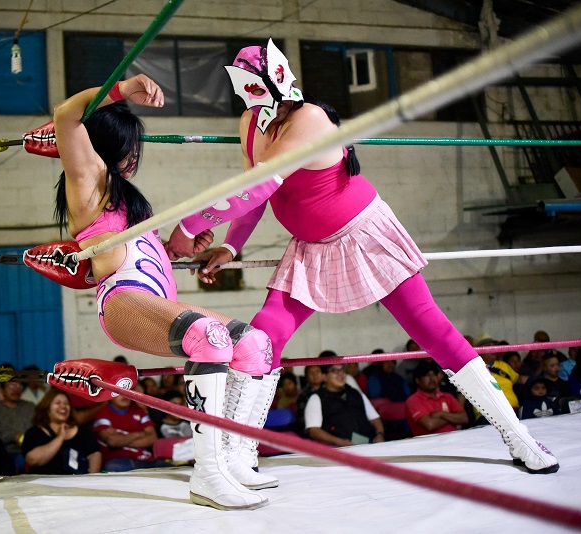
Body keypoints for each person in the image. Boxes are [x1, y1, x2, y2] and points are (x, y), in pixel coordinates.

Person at [166, 39, 558, 474]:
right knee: (262, 334)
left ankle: (518, 436)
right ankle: (239, 454)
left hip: (365, 233)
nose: (252, 100)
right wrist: (230, 244)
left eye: (256, 88)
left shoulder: (310, 118)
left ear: (278, 81)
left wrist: (188, 227)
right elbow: (256, 194)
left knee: (433, 330)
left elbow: (257, 187)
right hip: (310, 247)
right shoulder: (251, 122)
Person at [49, 75, 279, 509]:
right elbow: (66, 116)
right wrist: (121, 88)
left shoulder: (129, 200)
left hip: (154, 299)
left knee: (255, 345)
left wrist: (182, 249)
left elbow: (148, 259)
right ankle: (207, 474)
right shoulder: (90, 182)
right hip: (121, 301)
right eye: (128, 144)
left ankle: (233, 457)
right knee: (209, 338)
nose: (135, 155)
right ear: (104, 144)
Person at [21, 389, 101, 475]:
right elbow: (33, 460)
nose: (63, 406)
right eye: (57, 403)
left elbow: (95, 454)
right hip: (44, 484)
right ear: (47, 408)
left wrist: (90, 479)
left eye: (66, 404)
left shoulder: (82, 431)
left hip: (77, 484)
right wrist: (60, 437)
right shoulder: (34, 432)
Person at [304, 363, 384, 446]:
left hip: (369, 444)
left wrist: (380, 434)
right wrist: (339, 442)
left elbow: (375, 419)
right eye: (335, 371)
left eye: (342, 370)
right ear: (324, 376)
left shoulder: (355, 393)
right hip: (340, 450)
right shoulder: (316, 398)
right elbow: (314, 431)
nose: (340, 374)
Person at [92, 389, 161, 472]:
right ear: (109, 396)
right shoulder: (103, 413)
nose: (124, 395)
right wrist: (140, 434)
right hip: (119, 461)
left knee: (171, 469)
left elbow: (153, 438)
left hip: (146, 459)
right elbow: (112, 441)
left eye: (127, 391)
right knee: (114, 467)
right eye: (119, 392)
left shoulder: (139, 411)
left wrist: (121, 438)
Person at [405, 361, 468, 437]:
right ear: (418, 380)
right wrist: (452, 417)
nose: (432, 378)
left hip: (454, 438)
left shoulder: (447, 396)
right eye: (427, 375)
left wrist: (441, 414)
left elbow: (464, 418)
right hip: (430, 444)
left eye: (434, 374)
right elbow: (430, 425)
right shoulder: (413, 400)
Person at [0, 380, 35, 473]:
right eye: (11, 386)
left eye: (18, 385)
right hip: (8, 452)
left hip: (32, 450)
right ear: (2, 389)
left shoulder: (30, 407)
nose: (15, 389)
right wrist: (12, 436)